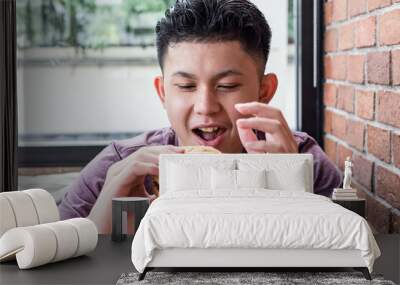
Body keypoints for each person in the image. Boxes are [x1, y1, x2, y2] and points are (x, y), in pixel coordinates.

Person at [58, 0, 341, 233]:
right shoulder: (121, 166)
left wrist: (291, 188)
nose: (205, 106)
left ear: (264, 90)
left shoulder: (304, 163)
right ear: (163, 92)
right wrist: (102, 227)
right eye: (186, 86)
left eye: (227, 86)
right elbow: (51, 260)